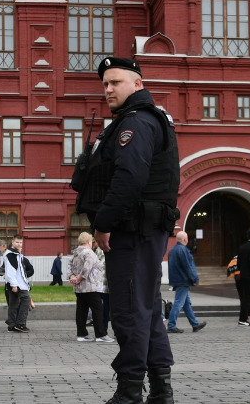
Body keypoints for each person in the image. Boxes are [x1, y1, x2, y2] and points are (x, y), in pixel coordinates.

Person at [74, 56, 180, 403]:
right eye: (105, 84)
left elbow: (129, 178)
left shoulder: (136, 123)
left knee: (129, 312)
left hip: (132, 231)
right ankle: (161, 390)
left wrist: (102, 224)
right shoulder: (146, 120)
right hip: (143, 231)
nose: (108, 89)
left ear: (137, 83)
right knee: (146, 311)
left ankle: (130, 391)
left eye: (115, 82)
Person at [69, 232, 113, 343]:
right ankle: (100, 335)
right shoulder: (89, 253)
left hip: (78, 288)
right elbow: (87, 267)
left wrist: (72, 277)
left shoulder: (75, 253)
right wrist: (80, 277)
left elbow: (69, 267)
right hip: (90, 286)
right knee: (98, 310)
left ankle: (82, 334)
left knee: (81, 310)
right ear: (89, 242)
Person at [166, 231, 207, 334]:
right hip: (184, 281)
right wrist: (194, 279)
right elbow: (188, 266)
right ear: (185, 239)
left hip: (177, 280)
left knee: (186, 304)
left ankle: (195, 324)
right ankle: (171, 325)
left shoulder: (172, 251)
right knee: (179, 303)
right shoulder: (183, 250)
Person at [3, 234, 32, 333]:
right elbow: (10, 271)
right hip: (17, 284)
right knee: (26, 300)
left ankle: (11, 325)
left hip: (17, 283)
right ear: (12, 242)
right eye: (17, 242)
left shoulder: (15, 254)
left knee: (13, 303)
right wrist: (14, 285)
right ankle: (20, 324)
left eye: (21, 242)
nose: (19, 244)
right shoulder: (11, 254)